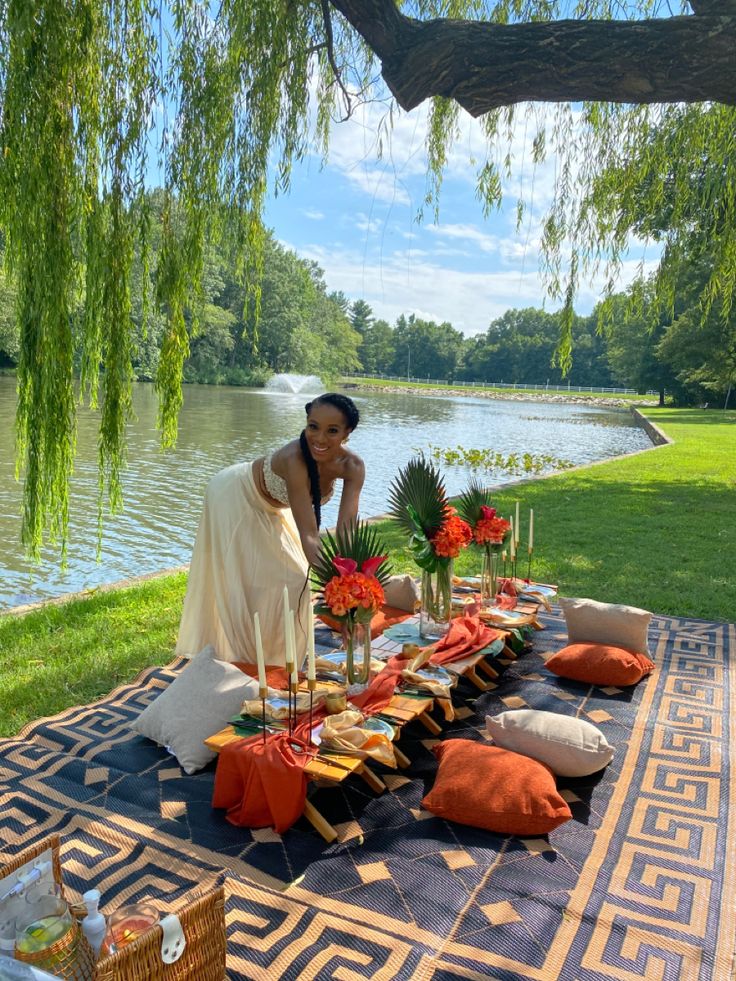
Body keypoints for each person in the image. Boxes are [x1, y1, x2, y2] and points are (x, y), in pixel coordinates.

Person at [175, 393, 364, 667]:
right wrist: (336, 589)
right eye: (313, 426)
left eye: (332, 431)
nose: (320, 438)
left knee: (293, 581)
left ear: (347, 433)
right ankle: (244, 663)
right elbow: (310, 536)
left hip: (271, 509)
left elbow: (347, 533)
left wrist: (351, 593)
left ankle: (279, 662)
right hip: (234, 495)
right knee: (263, 580)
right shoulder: (294, 459)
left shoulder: (353, 467)